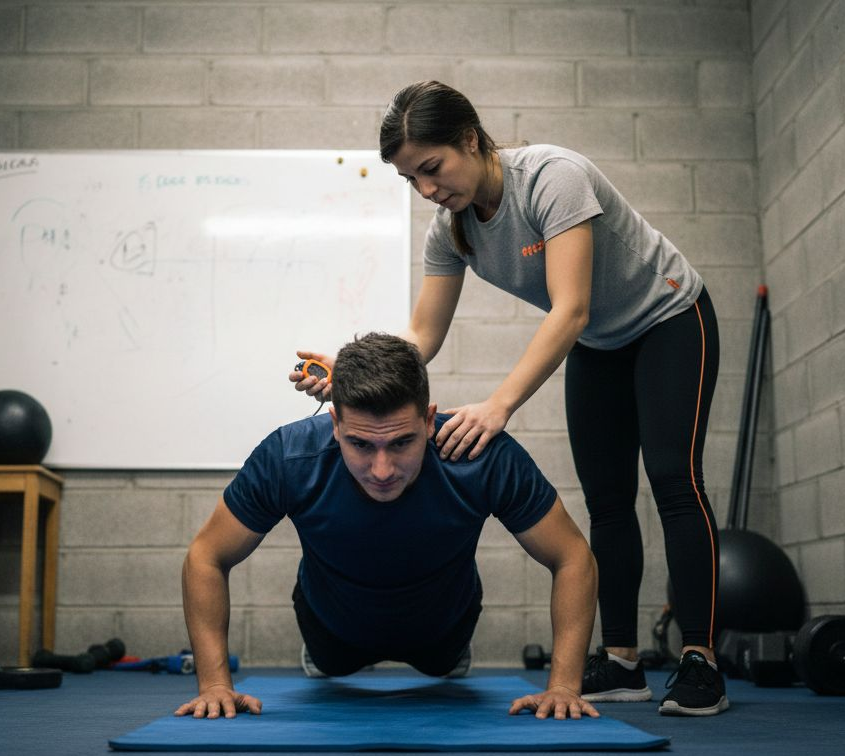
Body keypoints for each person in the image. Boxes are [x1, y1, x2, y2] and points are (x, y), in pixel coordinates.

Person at [290, 81, 727, 716]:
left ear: (470, 138)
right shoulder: (452, 231)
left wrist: (499, 404)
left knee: (672, 478)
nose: (429, 191)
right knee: (605, 500)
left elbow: (570, 308)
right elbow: (421, 338)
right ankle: (625, 660)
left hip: (669, 318)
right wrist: (352, 368)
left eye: (432, 169)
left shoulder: (554, 178)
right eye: (413, 180)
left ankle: (699, 658)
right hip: (602, 341)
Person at [175, 333, 600, 721]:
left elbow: (572, 557)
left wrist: (563, 686)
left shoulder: (481, 456)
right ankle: (325, 653)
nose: (382, 470)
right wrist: (214, 685)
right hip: (330, 630)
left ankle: (448, 654)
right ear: (336, 423)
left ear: (430, 420)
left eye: (401, 443)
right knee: (331, 659)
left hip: (443, 631)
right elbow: (206, 556)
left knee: (442, 658)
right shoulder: (289, 458)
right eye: (361, 444)